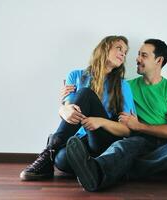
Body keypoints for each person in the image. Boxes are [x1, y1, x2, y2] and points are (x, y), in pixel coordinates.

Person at [65, 39, 167, 191]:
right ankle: (101, 172)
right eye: (138, 55)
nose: (137, 59)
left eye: (144, 55)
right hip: (138, 141)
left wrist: (139, 126)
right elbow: (99, 105)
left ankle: (121, 170)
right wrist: (66, 101)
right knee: (123, 145)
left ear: (159, 60)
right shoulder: (126, 86)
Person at [19, 35, 136, 180]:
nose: (123, 54)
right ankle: (91, 166)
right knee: (61, 160)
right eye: (119, 48)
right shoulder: (75, 76)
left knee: (85, 93)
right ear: (104, 49)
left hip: (103, 140)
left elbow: (127, 130)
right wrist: (62, 108)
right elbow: (69, 111)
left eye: (125, 52)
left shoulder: (123, 85)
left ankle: (49, 150)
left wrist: (101, 121)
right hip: (79, 140)